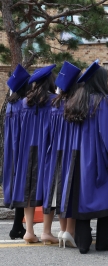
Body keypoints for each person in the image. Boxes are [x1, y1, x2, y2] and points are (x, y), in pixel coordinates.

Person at [64, 60, 108, 254]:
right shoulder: (104, 102)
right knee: (105, 198)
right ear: (101, 81)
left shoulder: (75, 103)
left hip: (78, 160)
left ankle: (83, 243)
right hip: (100, 159)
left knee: (83, 200)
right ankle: (102, 241)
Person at [11, 64, 58, 244]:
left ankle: (29, 231)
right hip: (47, 151)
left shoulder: (24, 102)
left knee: (28, 191)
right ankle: (46, 231)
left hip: (26, 151)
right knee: (48, 189)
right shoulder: (55, 101)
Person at [42, 61, 83, 248]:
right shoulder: (76, 106)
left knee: (59, 191)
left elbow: (47, 133)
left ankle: (61, 230)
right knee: (71, 191)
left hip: (55, 153)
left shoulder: (54, 105)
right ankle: (70, 231)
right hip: (72, 153)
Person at [3, 64, 30, 240]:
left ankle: (17, 227)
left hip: (11, 148)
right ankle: (17, 227)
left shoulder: (10, 105)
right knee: (24, 186)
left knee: (16, 185)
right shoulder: (23, 105)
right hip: (23, 147)